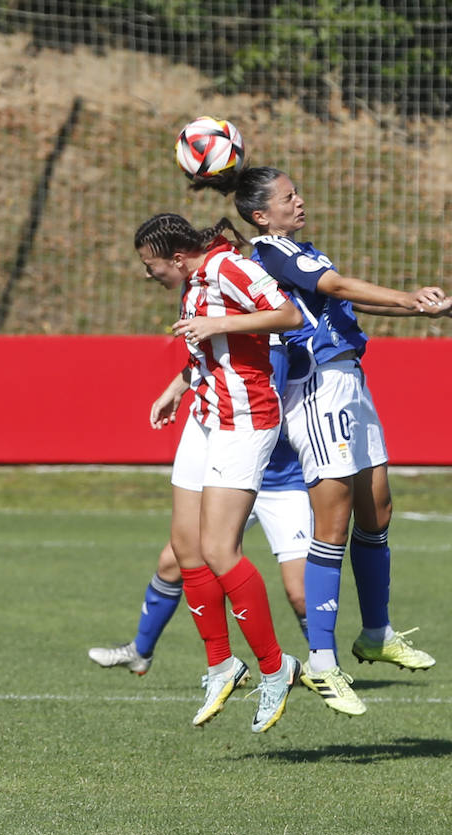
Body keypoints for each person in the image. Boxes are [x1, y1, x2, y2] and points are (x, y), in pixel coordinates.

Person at [192, 165, 452, 716]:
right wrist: (411, 296)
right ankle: (321, 662)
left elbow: (342, 299)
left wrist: (421, 308)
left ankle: (376, 632)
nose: (299, 202)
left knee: (378, 510)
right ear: (260, 215)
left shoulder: (302, 250)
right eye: (288, 197)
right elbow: (337, 287)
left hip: (351, 380)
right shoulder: (271, 251)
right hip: (317, 385)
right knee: (334, 520)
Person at [135, 211, 305, 734]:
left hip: (246, 418)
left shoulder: (231, 268)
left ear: (178, 257)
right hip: (205, 415)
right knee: (186, 547)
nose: (149, 275)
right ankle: (222, 664)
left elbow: (290, 316)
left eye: (151, 266)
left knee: (219, 550)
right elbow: (210, 353)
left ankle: (277, 668)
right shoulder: (194, 281)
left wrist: (221, 323)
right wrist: (176, 386)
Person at [85, 434, 311, 677]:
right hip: (232, 485)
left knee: (300, 593)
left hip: (286, 485)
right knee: (171, 563)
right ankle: (140, 652)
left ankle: (325, 667)